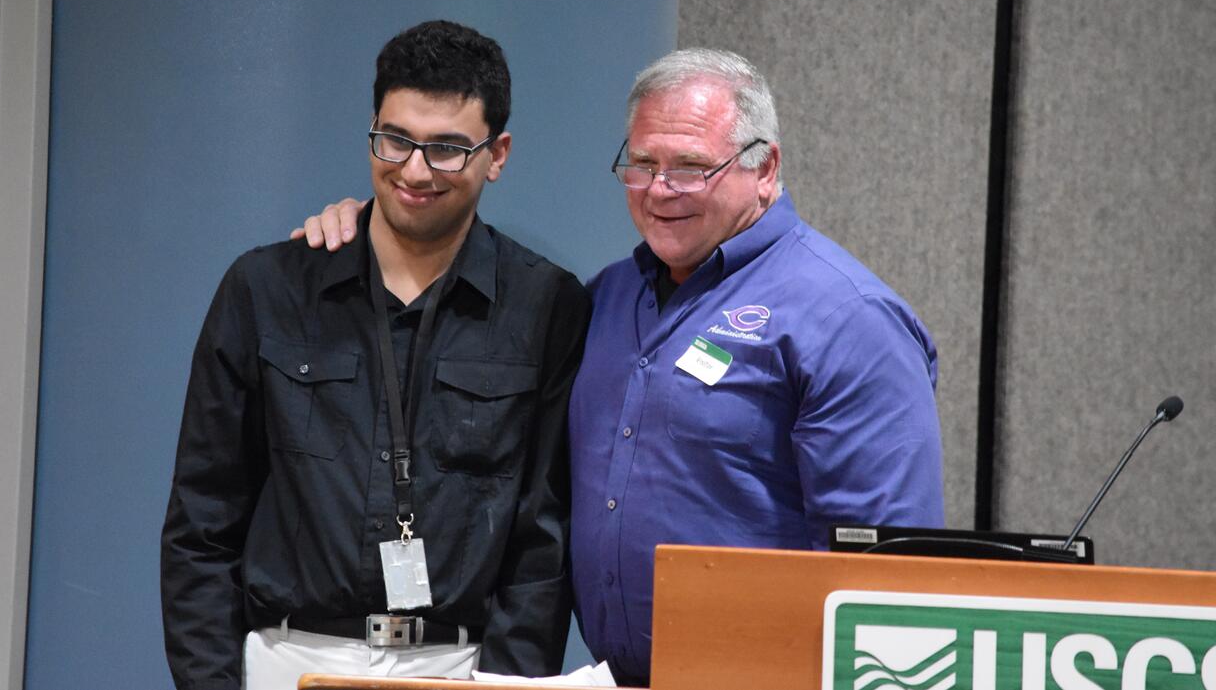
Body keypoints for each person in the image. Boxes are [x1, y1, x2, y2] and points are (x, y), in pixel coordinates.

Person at [295, 48, 945, 686]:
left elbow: (887, 574)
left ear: (765, 168)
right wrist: (368, 232)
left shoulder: (849, 319)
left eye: (691, 167)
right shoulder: (604, 299)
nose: (660, 190)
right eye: (641, 164)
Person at [161, 20, 590, 690]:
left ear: (497, 153)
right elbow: (202, 524)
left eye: (447, 147)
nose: (414, 170)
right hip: (285, 657)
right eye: (395, 139)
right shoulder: (266, 288)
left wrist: (506, 684)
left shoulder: (546, 306)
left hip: (458, 667)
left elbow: (544, 542)